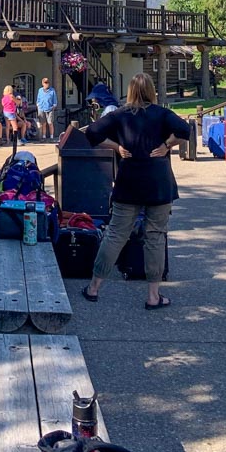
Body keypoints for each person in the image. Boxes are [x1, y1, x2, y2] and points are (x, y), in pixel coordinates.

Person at [81, 73, 189, 310]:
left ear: (130, 91)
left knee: (116, 235)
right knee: (155, 236)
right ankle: (153, 295)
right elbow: (184, 130)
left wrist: (116, 146)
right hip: (159, 183)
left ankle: (94, 288)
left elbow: (91, 133)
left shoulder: (120, 114)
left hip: (129, 181)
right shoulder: (162, 114)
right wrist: (166, 145)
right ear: (151, 90)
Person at [36, 77, 58, 141]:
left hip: (49, 108)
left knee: (50, 123)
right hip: (41, 108)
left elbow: (55, 101)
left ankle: (51, 137)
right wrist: (38, 106)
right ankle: (44, 137)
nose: (47, 84)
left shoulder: (52, 90)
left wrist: (53, 107)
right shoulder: (40, 90)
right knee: (43, 123)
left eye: (47, 82)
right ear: (42, 83)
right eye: (45, 82)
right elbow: (38, 99)